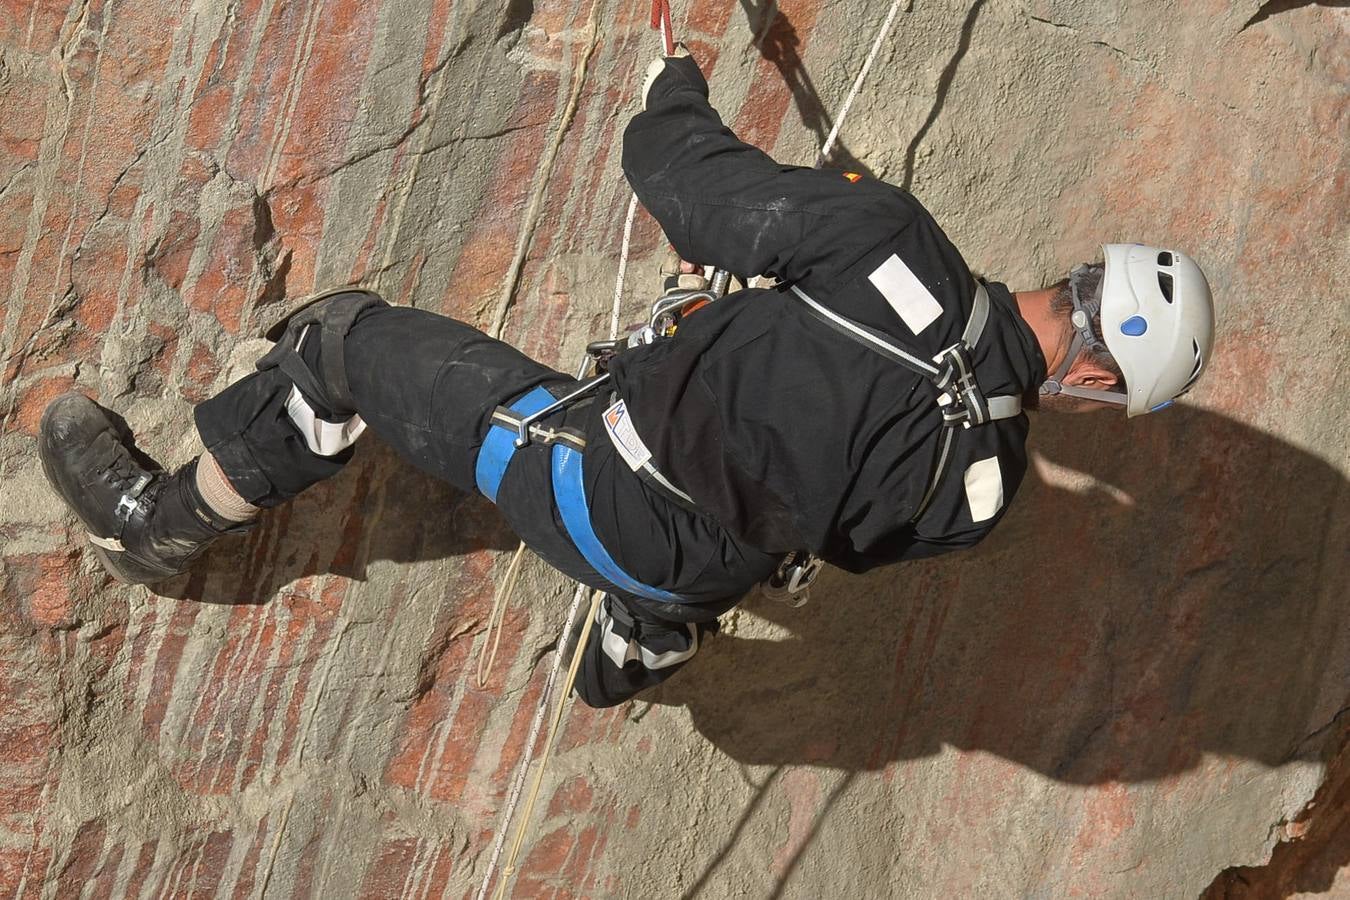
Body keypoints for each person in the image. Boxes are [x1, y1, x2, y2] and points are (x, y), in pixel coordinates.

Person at [37, 51, 1215, 708]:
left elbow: (680, 181)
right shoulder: (990, 490)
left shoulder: (896, 247)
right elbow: (852, 543)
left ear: (1085, 271)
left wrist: (675, 93)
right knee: (724, 536)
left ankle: (158, 524)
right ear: (1101, 383)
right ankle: (646, 640)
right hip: (718, 553)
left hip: (599, 487)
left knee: (340, 345)